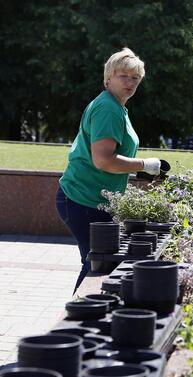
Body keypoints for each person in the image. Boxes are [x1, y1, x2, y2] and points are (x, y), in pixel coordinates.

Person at [56, 47, 162, 293]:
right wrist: (145, 165)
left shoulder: (116, 107)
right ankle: (79, 321)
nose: (130, 82)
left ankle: (82, 319)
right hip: (84, 201)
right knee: (97, 265)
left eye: (135, 77)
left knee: (98, 265)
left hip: (92, 201)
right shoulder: (108, 108)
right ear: (108, 78)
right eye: (123, 76)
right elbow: (104, 161)